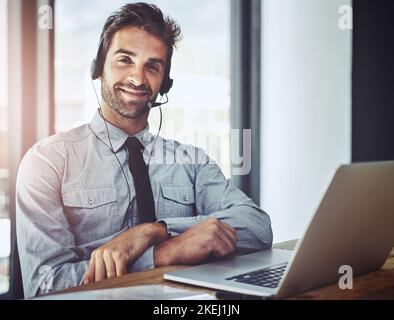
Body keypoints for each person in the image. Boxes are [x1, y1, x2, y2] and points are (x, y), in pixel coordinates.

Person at [16, 2, 272, 298]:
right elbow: (45, 286)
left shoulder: (191, 162)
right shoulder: (47, 162)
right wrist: (163, 254)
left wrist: (156, 231)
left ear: (165, 83)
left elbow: (258, 227)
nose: (138, 79)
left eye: (152, 66)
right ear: (98, 67)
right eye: (125, 60)